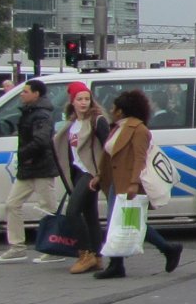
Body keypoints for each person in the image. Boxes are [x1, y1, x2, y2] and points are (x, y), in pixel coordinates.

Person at [91, 86, 183, 279]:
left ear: (121, 111)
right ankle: (163, 250)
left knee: (125, 221)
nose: (110, 110)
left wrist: (134, 183)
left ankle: (121, 263)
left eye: (113, 108)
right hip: (115, 181)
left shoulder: (139, 130)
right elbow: (108, 155)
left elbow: (140, 158)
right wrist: (99, 176)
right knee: (123, 222)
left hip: (129, 183)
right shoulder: (117, 127)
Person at [0, 78, 60, 262]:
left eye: (25, 91)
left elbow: (41, 140)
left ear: (36, 94)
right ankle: (17, 246)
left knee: (48, 208)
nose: (22, 95)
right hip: (28, 168)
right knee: (12, 204)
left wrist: (23, 154)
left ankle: (53, 248)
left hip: (41, 167)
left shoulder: (41, 115)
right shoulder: (30, 112)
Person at [54, 81, 108, 274]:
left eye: (87, 99)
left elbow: (108, 148)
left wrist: (101, 174)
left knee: (72, 212)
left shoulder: (97, 120)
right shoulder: (71, 124)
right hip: (77, 172)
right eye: (80, 99)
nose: (84, 102)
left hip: (91, 173)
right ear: (72, 101)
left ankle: (85, 253)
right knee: (90, 214)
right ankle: (97, 256)